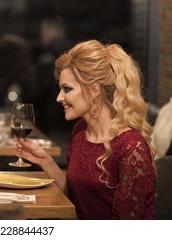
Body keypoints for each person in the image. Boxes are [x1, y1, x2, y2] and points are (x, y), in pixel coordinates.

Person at [15, 40, 156, 219]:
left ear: (94, 90)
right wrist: (46, 161)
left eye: (67, 89)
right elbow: (74, 198)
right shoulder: (81, 131)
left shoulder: (131, 147)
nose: (59, 98)